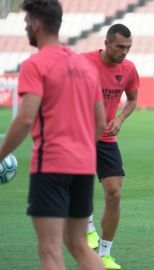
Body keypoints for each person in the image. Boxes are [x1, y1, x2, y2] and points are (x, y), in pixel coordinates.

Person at [0, 0, 106, 269]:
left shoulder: (36, 64)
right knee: (79, 244)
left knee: (49, 250)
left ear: (36, 24)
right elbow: (100, 122)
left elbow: (25, 120)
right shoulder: (85, 67)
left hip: (51, 165)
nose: (26, 29)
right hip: (83, 165)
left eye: (26, 24)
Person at [83, 23, 140, 269]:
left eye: (128, 47)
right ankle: (87, 226)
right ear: (106, 44)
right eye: (120, 46)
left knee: (114, 193)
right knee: (79, 186)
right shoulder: (82, 63)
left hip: (106, 138)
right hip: (79, 135)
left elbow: (133, 99)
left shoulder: (128, 69)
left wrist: (119, 119)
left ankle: (105, 254)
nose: (124, 52)